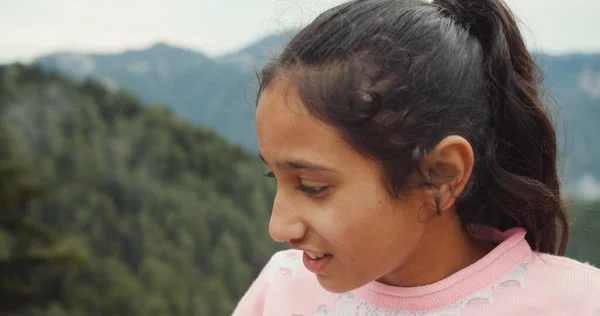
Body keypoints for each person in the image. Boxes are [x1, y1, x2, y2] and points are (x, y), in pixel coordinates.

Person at [233, 0, 600, 314]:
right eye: (274, 178)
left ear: (441, 174)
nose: (278, 227)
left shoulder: (580, 303)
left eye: (312, 187)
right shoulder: (281, 291)